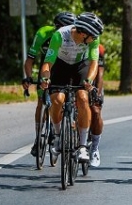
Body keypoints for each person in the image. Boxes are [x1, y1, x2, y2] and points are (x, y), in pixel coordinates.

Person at [39, 12, 104, 163]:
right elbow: (48, 62)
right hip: (61, 65)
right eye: (92, 36)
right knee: (57, 100)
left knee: (82, 97)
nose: (95, 39)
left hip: (81, 65)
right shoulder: (60, 36)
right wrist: (45, 78)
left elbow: (94, 62)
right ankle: (57, 135)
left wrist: (89, 80)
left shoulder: (92, 38)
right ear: (83, 32)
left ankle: (82, 146)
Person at [22, 11, 77, 157]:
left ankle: (70, 121)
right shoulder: (43, 33)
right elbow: (29, 59)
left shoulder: (74, 37)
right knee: (41, 102)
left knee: (70, 94)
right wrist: (28, 77)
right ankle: (38, 138)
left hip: (66, 66)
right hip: (47, 65)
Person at [89, 43, 106, 167]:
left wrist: (97, 93)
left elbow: (100, 73)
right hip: (76, 79)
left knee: (95, 111)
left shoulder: (98, 48)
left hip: (93, 83)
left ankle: (94, 147)